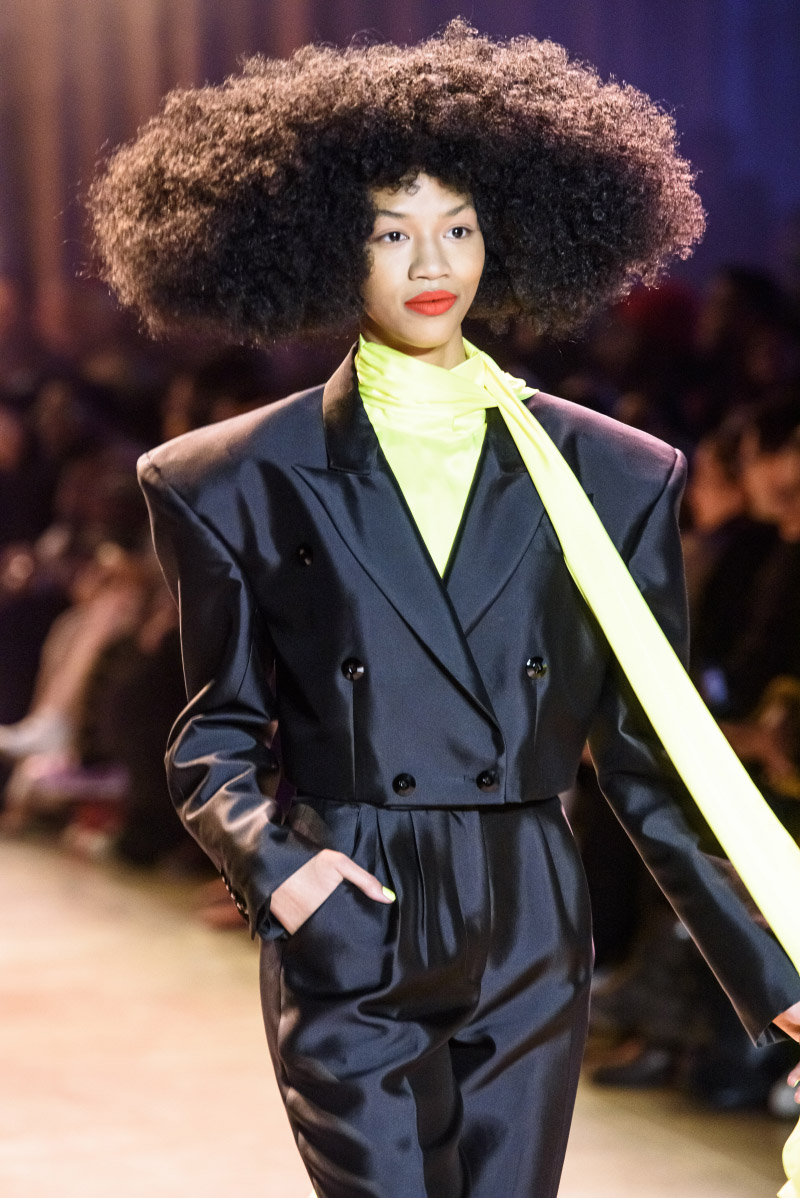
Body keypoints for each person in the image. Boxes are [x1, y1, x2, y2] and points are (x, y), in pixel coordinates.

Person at [87, 22, 800, 1198]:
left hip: (528, 910)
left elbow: (647, 757)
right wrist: (279, 870)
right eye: (391, 230)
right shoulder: (226, 478)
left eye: (458, 227)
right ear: (330, 247)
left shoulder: (613, 473)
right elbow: (212, 734)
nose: (434, 261)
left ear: (505, 235)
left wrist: (774, 965)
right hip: (350, 893)